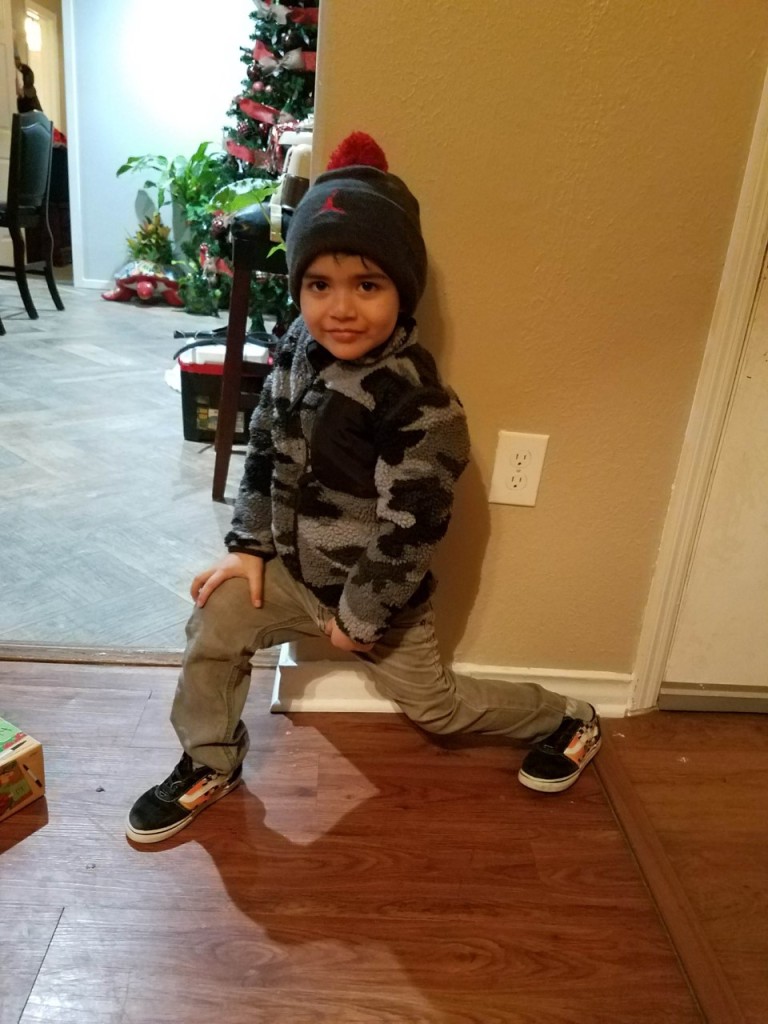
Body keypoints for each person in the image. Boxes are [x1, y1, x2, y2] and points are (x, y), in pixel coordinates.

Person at [126, 132, 601, 845]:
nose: (340, 308)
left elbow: (413, 525)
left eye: (367, 285)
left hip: (378, 600)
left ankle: (568, 719)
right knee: (216, 619)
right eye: (320, 285)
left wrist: (360, 617)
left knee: (438, 711)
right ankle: (208, 761)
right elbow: (266, 444)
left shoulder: (418, 403)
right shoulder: (296, 349)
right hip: (298, 574)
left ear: (402, 291)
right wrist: (249, 545)